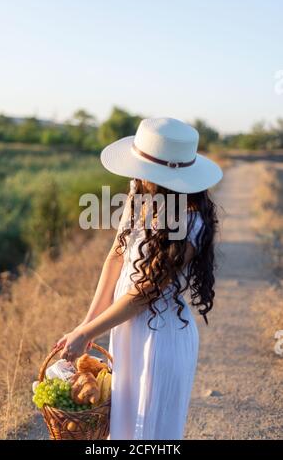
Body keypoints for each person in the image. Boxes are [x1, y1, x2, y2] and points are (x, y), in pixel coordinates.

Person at [54, 117, 223, 439]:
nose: (133, 175)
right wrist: (86, 326)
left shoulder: (190, 221)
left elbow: (145, 293)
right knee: (123, 429)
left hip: (160, 338)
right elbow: (116, 257)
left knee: (150, 432)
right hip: (125, 332)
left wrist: (88, 330)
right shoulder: (139, 196)